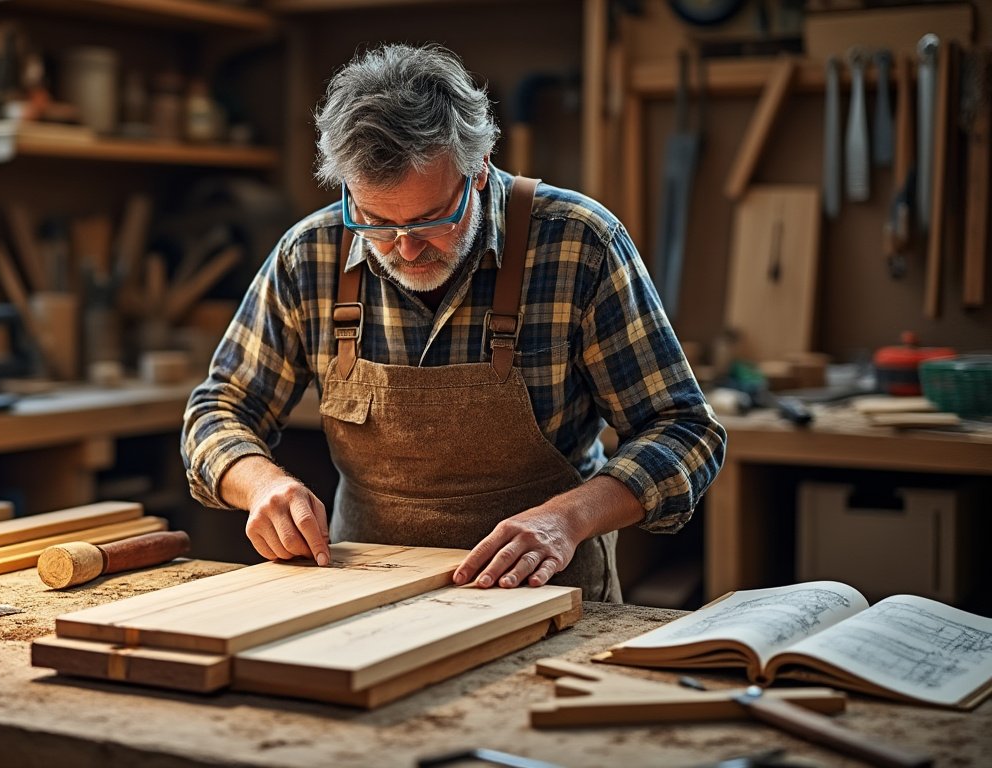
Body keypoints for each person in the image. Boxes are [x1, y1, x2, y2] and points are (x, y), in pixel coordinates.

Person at [181, 44, 725, 601]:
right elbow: (217, 410)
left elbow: (685, 431)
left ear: (480, 170)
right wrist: (263, 484)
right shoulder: (310, 254)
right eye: (375, 221)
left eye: (431, 219)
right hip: (362, 596)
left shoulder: (577, 243)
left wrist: (567, 519)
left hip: (544, 595)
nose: (407, 249)